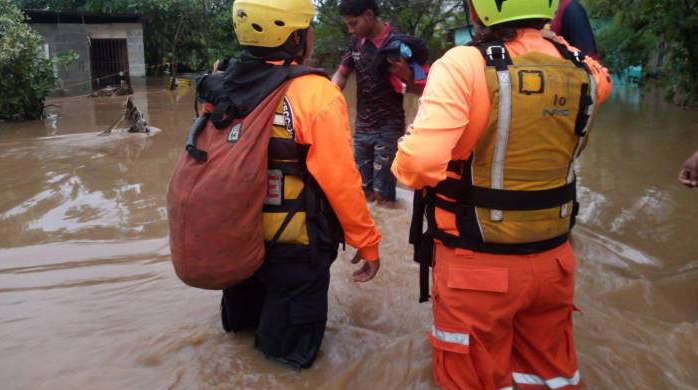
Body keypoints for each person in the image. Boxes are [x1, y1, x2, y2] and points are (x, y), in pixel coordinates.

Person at [392, 0, 612, 388]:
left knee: (472, 377)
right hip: (554, 262)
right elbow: (593, 85)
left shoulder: (463, 64)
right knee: (548, 378)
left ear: (478, 10)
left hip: (476, 266)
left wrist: (408, 145)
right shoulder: (584, 67)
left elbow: (416, 167)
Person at [217, 0, 382, 370]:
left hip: (234, 240)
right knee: (287, 363)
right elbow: (340, 181)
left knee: (237, 341)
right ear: (297, 37)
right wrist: (367, 241)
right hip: (294, 248)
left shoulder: (220, 84)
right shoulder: (316, 93)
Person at [332, 0, 427, 206]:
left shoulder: (399, 45)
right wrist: (322, 101)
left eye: (353, 23)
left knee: (384, 198)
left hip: (389, 129)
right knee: (362, 193)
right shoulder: (356, 43)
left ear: (368, 15)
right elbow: (340, 76)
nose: (350, 30)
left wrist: (407, 75)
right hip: (361, 129)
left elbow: (424, 90)